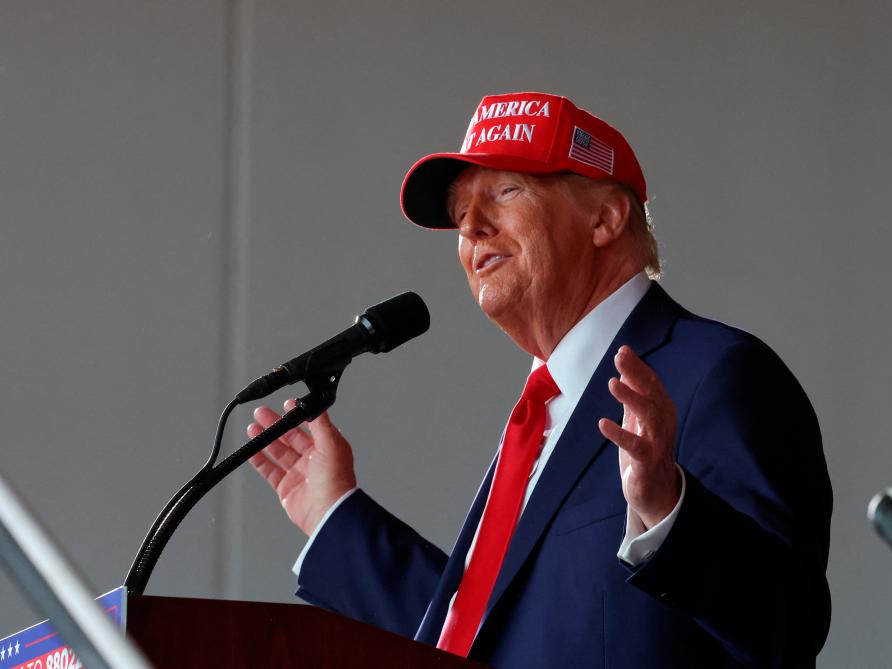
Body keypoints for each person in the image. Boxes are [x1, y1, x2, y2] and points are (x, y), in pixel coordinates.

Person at [248, 92, 833, 668]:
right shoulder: (542, 410)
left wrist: (670, 511)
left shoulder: (715, 373)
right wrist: (336, 516)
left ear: (605, 217)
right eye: (459, 213)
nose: (472, 226)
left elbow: (788, 625)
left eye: (506, 191)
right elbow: (489, 640)